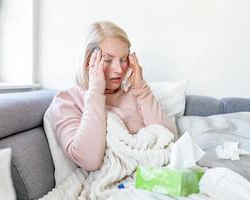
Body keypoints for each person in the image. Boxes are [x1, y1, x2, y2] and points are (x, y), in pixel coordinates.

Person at [48, 21, 176, 171]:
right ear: (89, 61)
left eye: (124, 60)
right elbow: (89, 161)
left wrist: (141, 90)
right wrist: (95, 92)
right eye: (108, 60)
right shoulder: (67, 101)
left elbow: (171, 141)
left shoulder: (134, 93)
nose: (119, 69)